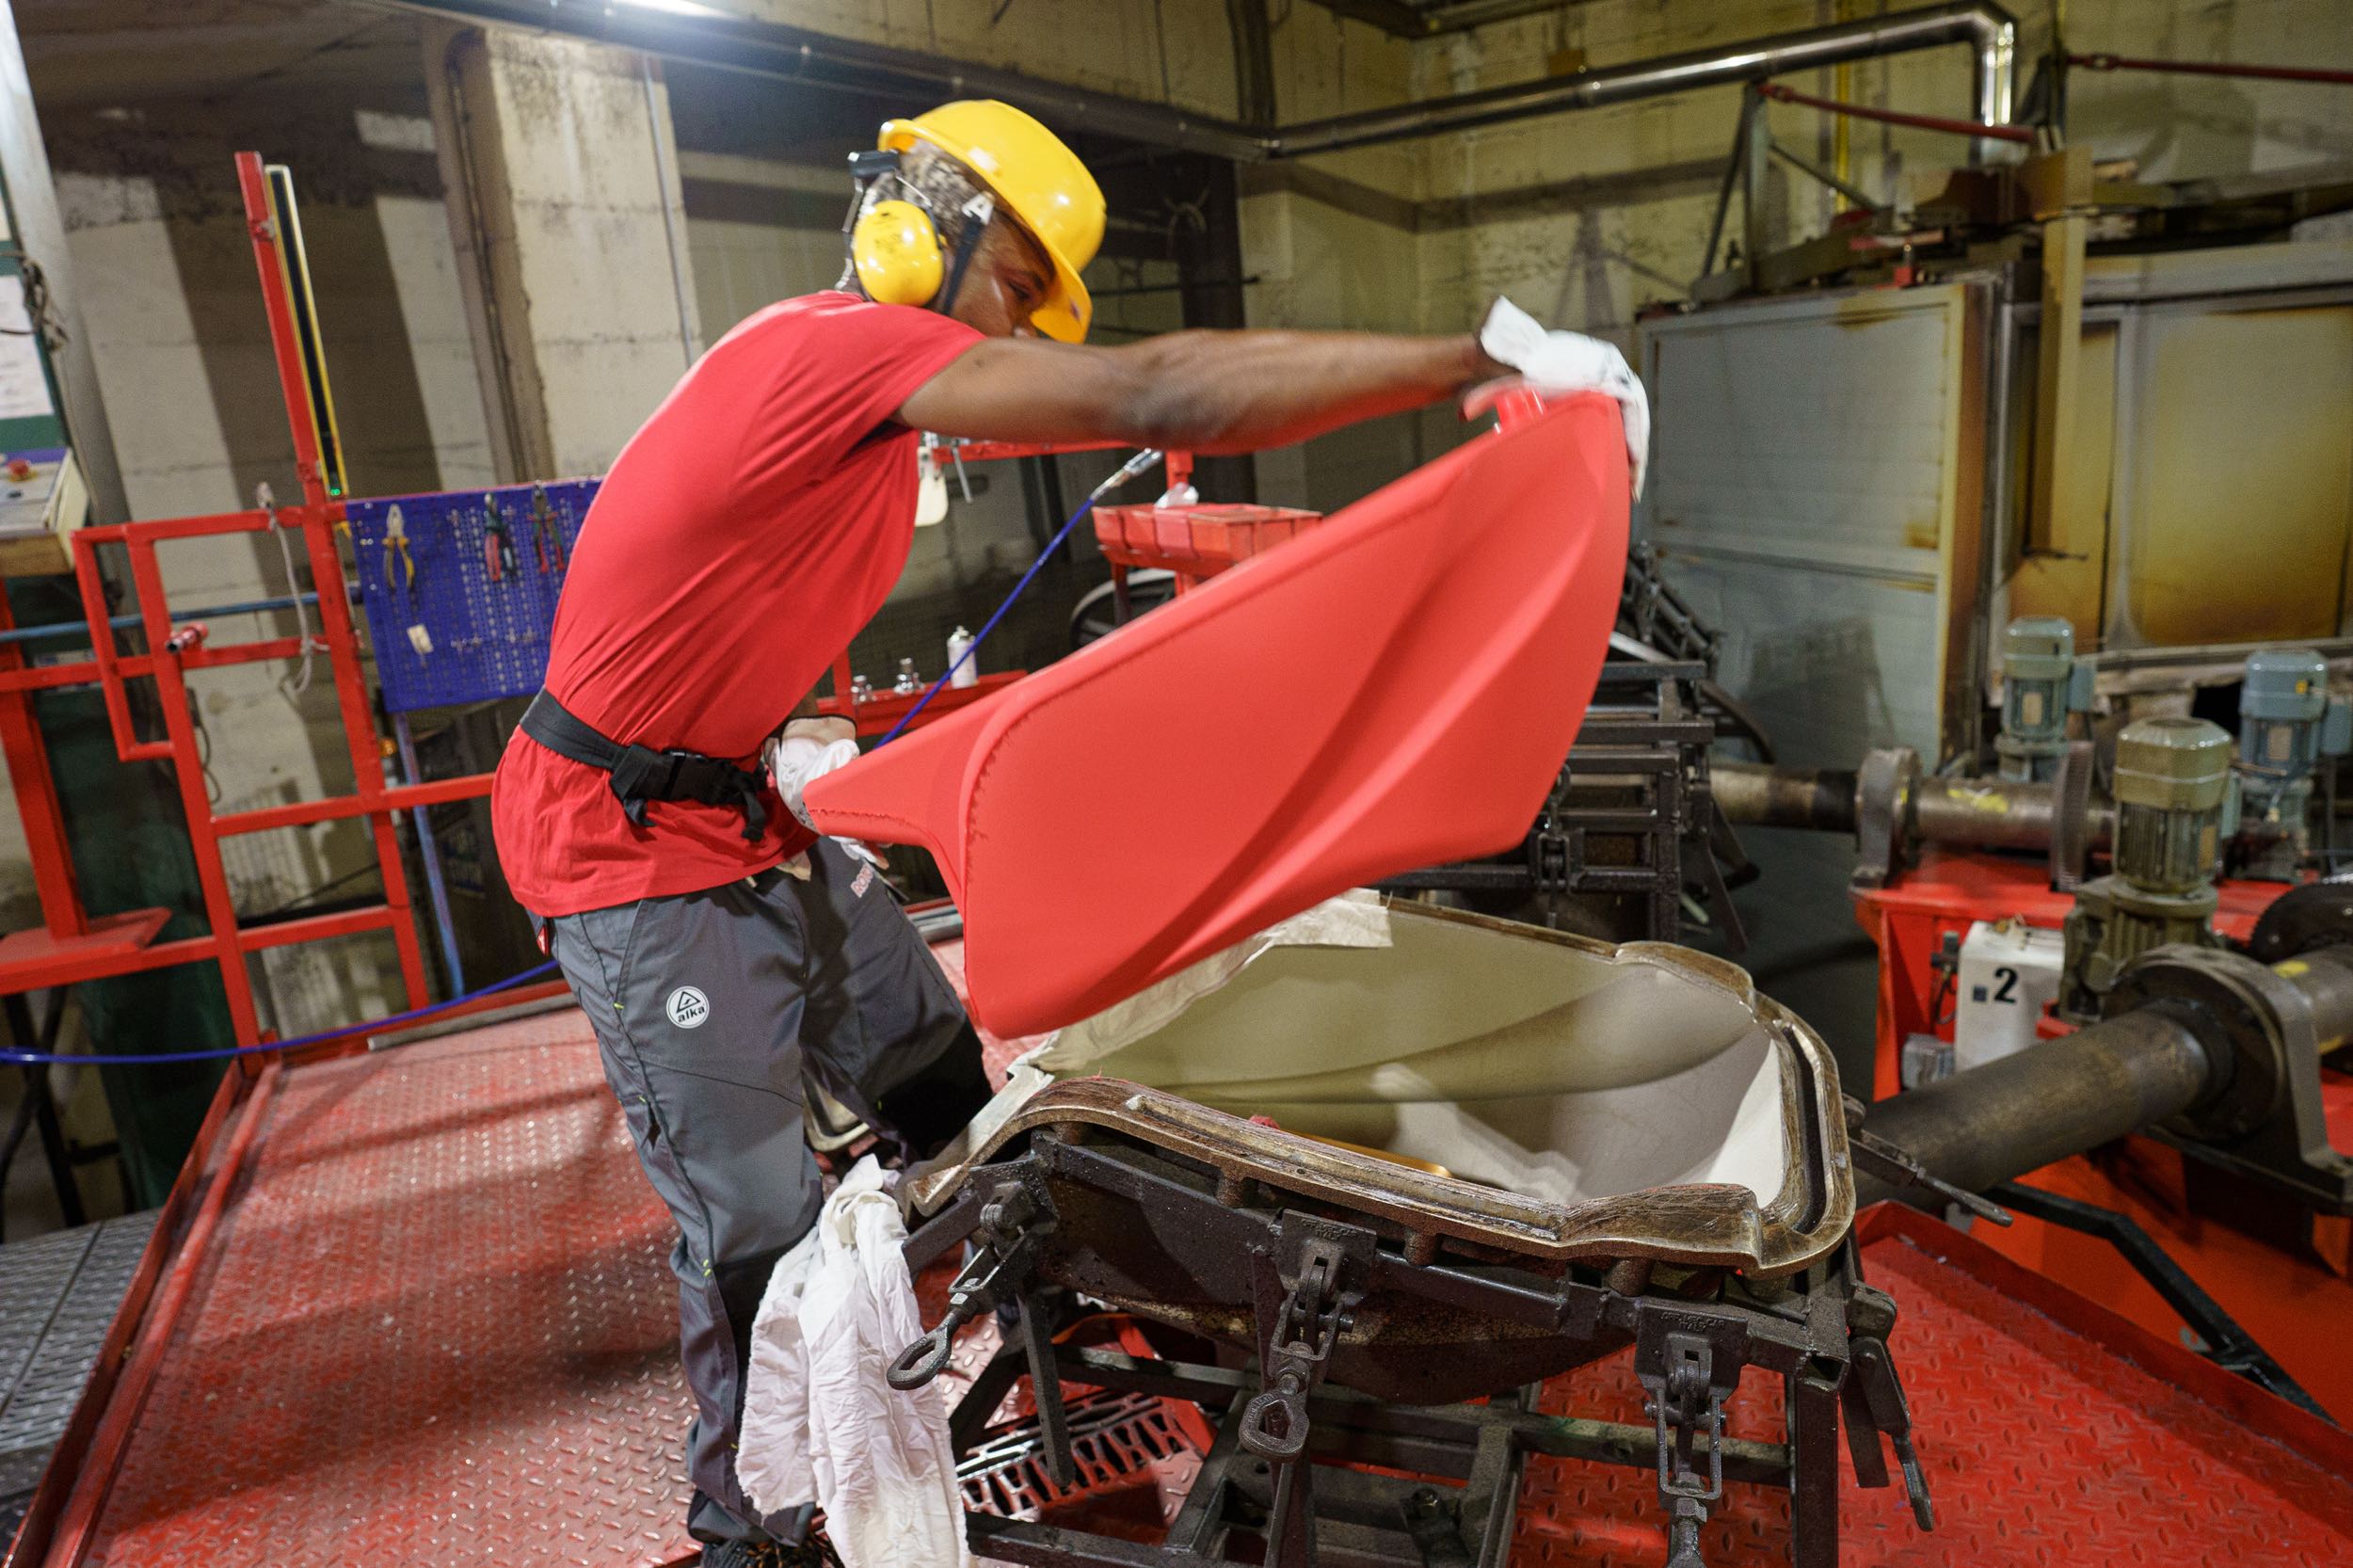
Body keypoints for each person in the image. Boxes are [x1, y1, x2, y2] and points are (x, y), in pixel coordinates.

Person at [488, 98, 1644, 1567]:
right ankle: (752, 1524)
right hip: (626, 848)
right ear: (928, 224)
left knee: (936, 1092)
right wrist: (1477, 356)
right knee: (754, 1226)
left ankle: (1022, 1319)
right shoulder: (836, 348)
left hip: (740, 808)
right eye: (1019, 283)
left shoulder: (859, 397)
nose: (1024, 330)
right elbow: (1165, 391)